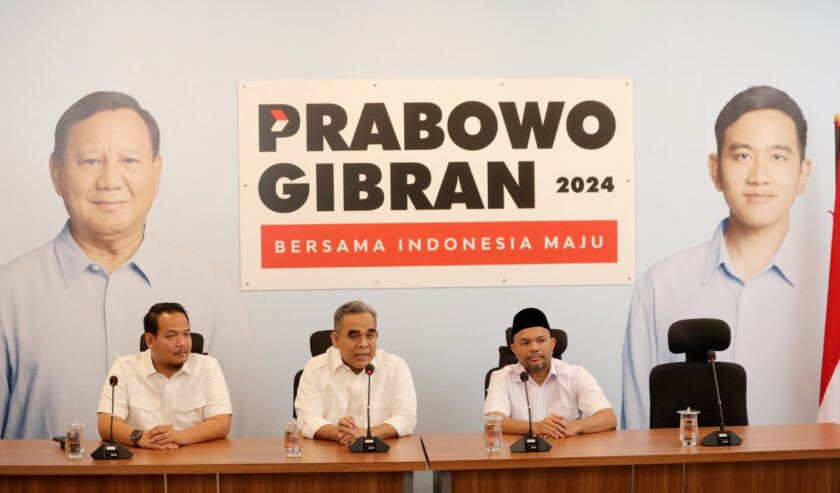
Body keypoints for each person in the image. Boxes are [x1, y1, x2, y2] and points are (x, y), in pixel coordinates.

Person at [0, 91, 273, 438]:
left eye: (129, 161)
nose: (110, 180)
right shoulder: (7, 294)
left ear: (156, 172)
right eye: (90, 161)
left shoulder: (211, 290)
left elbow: (253, 438)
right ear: (56, 173)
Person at [622, 85, 829, 429]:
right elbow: (638, 430)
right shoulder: (660, 286)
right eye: (743, 155)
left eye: (778, 156)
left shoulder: (831, 283)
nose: (758, 176)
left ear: (803, 173)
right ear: (716, 170)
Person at [97, 303, 231, 448]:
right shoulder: (124, 368)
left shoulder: (208, 367)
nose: (182, 343)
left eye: (186, 334)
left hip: (194, 460)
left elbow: (221, 422)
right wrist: (140, 437)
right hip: (141, 461)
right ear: (150, 340)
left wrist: (179, 436)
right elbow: (106, 423)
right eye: (171, 336)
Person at [294, 300, 417, 444]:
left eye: (370, 335)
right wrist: (338, 432)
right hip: (332, 457)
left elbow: (406, 418)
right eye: (354, 336)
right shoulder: (315, 368)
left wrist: (367, 433)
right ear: (336, 339)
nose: (364, 344)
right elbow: (307, 419)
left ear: (376, 336)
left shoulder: (396, 367)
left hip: (383, 459)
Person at [484, 308, 616, 438]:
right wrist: (537, 427)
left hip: (567, 454)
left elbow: (608, 418)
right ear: (514, 349)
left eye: (541, 340)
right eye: (525, 343)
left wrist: (574, 426)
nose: (534, 348)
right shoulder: (501, 377)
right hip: (520, 456)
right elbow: (492, 422)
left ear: (552, 343)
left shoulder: (576, 374)